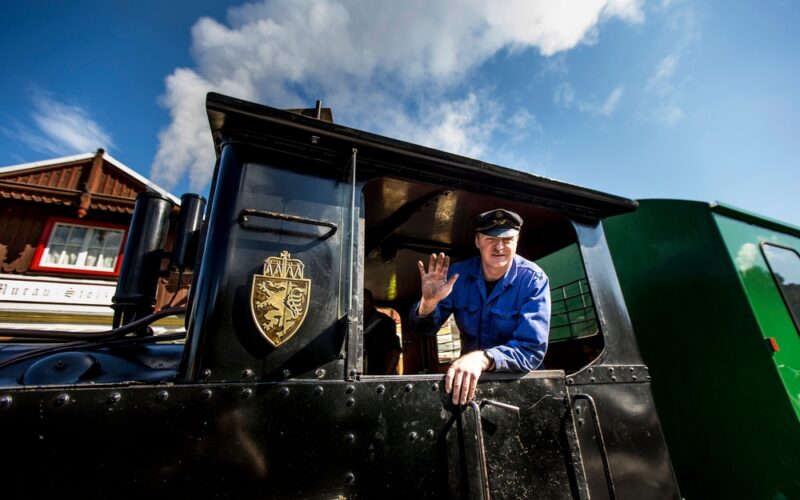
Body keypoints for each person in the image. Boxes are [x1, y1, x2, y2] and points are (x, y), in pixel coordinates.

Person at [410, 208, 550, 405]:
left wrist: (482, 359)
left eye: (507, 239)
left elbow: (531, 349)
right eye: (491, 238)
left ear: (516, 241)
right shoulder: (457, 276)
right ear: (478, 241)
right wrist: (428, 303)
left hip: (522, 389)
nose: (499, 246)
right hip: (468, 386)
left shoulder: (533, 280)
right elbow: (422, 329)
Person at [363, 288, 402, 375]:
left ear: (372, 302)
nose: (361, 304)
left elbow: (393, 351)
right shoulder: (355, 322)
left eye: (364, 300)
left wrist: (384, 378)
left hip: (380, 375)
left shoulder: (384, 321)